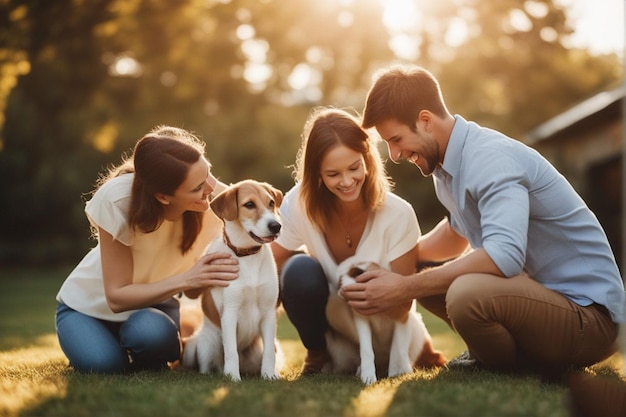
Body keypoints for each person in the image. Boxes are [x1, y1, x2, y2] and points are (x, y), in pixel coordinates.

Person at [341, 64, 625, 376]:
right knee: (412, 265)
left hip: (590, 317)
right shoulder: (444, 166)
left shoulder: (491, 158)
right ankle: (504, 355)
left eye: (396, 139)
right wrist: (395, 260)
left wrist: (404, 287)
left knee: (465, 295)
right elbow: (455, 233)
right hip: (541, 300)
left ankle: (504, 365)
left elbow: (505, 256)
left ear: (425, 121)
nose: (394, 154)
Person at [55, 126, 239, 374]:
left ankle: (137, 347)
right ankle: (101, 347)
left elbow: (254, 211)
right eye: (197, 187)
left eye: (209, 173)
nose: (209, 188)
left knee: (153, 337)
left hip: (154, 309)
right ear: (163, 197)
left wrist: (207, 179)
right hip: (88, 308)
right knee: (105, 365)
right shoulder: (118, 201)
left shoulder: (213, 205)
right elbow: (116, 297)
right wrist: (187, 278)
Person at [271, 107, 427, 376]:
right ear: (316, 173)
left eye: (354, 168)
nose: (346, 182)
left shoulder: (398, 213)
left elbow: (404, 306)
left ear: (367, 159)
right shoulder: (298, 203)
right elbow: (269, 260)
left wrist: (383, 286)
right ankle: (317, 351)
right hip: (338, 334)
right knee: (298, 271)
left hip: (389, 332)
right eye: (333, 174)